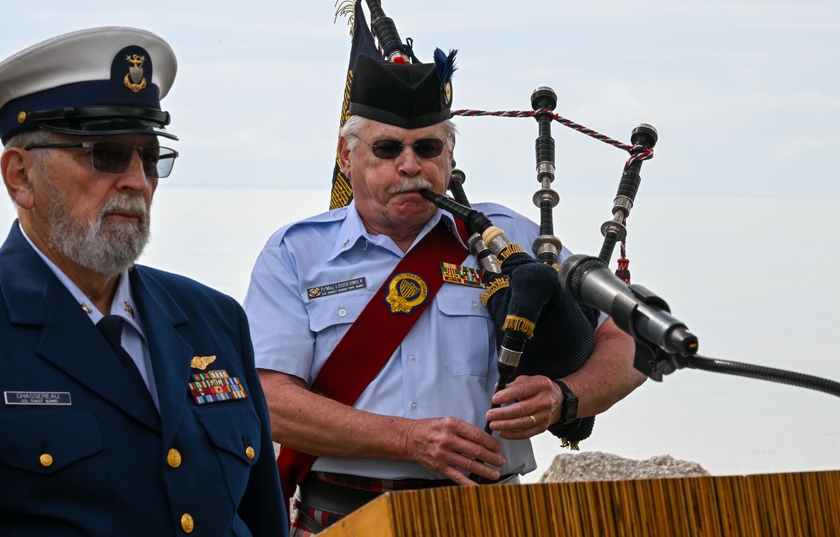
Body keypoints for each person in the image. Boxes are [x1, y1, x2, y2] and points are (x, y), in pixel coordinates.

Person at [0, 27, 288, 536]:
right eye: (105, 154)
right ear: (20, 176)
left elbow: (261, 519)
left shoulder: (213, 321)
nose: (136, 180)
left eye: (150, 159)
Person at [244, 51, 647, 534]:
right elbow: (269, 401)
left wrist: (566, 398)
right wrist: (406, 439)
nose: (410, 166)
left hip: (490, 515)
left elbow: (633, 337)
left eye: (429, 148)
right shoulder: (296, 254)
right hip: (343, 517)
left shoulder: (510, 239)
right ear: (346, 156)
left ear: (450, 154)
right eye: (388, 149)